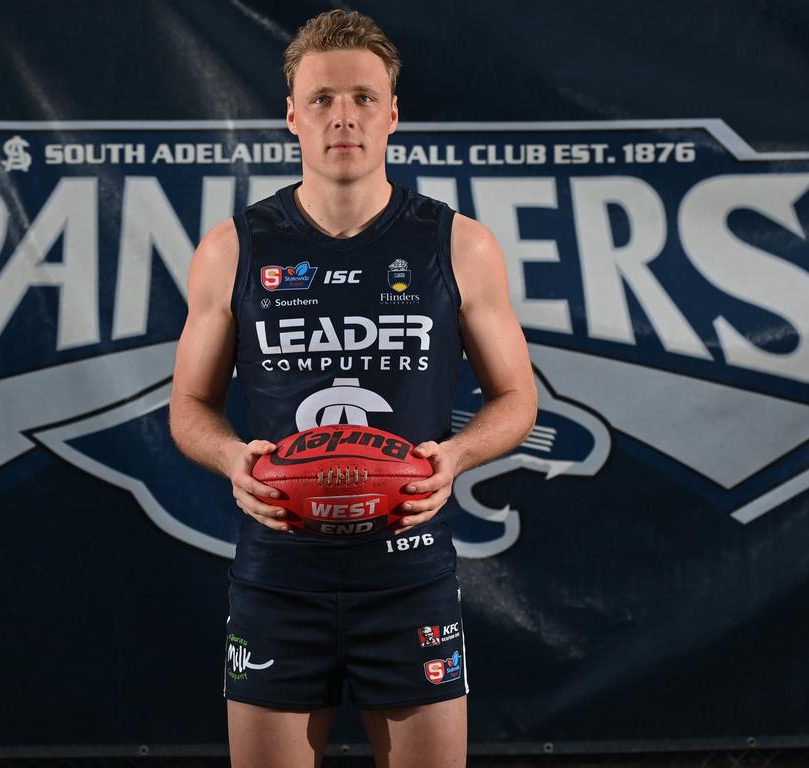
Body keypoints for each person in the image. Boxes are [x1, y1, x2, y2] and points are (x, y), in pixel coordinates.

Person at [169, 9, 537, 768]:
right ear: (292, 116)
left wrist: (458, 455)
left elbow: (517, 399)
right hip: (280, 574)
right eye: (324, 99)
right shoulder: (233, 249)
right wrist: (235, 458)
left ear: (393, 114)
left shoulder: (458, 244)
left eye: (364, 98)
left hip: (409, 571)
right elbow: (188, 407)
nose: (344, 116)